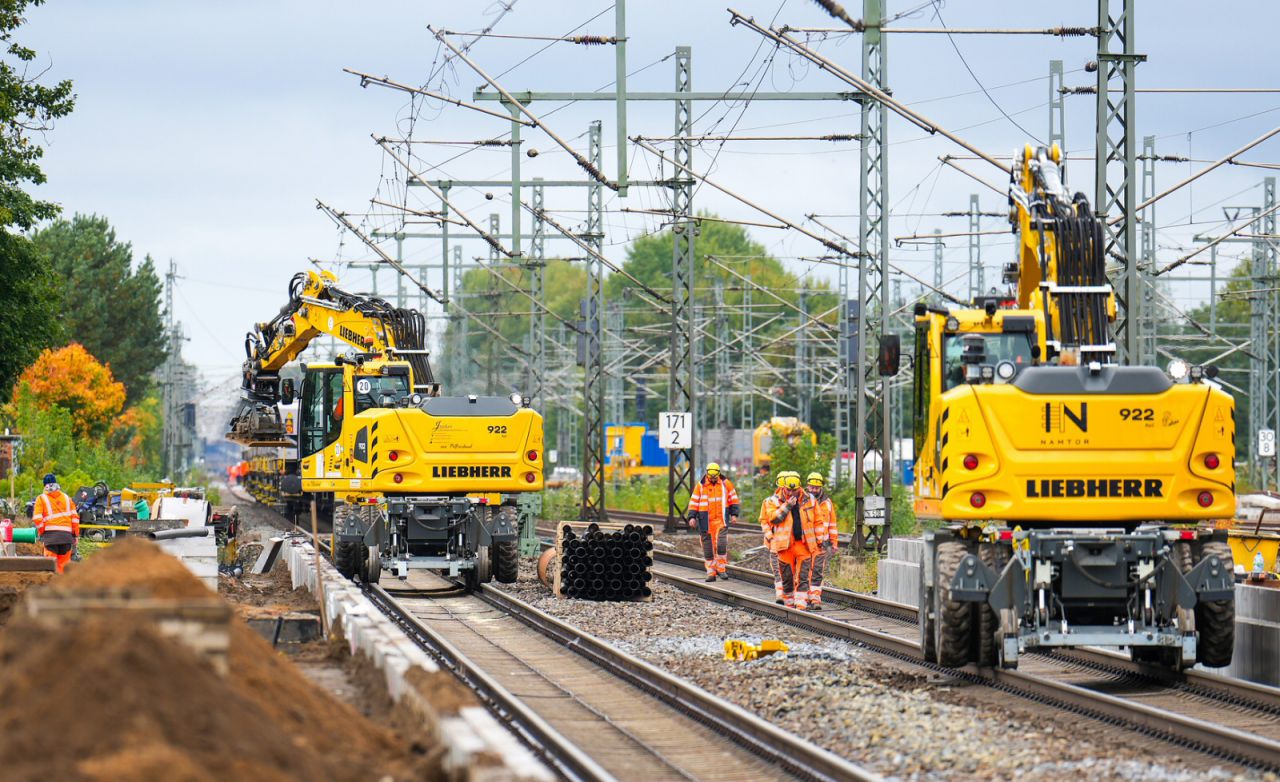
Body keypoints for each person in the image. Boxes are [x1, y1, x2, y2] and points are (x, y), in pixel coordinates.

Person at [759, 473, 821, 610]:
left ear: (800, 488)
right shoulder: (773, 501)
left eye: (794, 490)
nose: (791, 492)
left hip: (803, 545)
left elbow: (818, 520)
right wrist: (787, 506)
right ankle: (787, 604)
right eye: (788, 489)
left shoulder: (809, 499)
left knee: (803, 576)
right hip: (784, 546)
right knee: (786, 577)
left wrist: (820, 539)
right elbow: (772, 519)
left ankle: (801, 604)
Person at [687, 462, 739, 581]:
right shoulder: (700, 486)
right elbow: (694, 502)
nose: (713, 479)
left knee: (721, 545)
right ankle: (711, 572)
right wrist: (692, 517)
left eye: (715, 477)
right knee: (708, 548)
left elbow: (733, 499)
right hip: (706, 522)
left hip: (721, 521)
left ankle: (721, 569)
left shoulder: (726, 484)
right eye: (711, 477)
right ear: (707, 474)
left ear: (719, 474)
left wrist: (734, 514)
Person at [31, 473, 79, 574]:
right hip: (66, 538)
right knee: (64, 568)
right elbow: (75, 518)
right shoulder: (67, 498)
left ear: (44, 485)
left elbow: (37, 519)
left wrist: (42, 531)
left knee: (50, 568)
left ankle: (51, 587)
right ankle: (62, 587)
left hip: (51, 538)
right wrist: (75, 536)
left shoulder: (41, 498)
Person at [804, 472, 838, 610]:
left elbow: (832, 524)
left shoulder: (827, 503)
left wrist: (834, 542)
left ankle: (815, 598)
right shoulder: (802, 500)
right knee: (804, 571)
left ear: (821, 488)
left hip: (820, 544)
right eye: (811, 487)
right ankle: (804, 597)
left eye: (816, 488)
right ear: (807, 486)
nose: (813, 490)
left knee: (817, 571)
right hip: (804, 543)